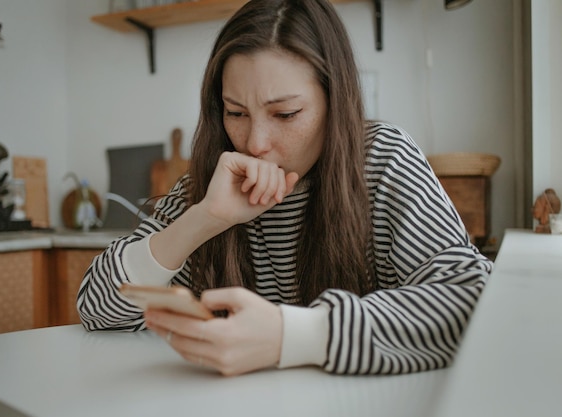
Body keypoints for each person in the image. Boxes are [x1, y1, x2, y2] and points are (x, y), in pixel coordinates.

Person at [77, 0, 493, 376]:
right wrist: (204, 219)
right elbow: (96, 309)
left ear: (335, 102)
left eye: (286, 113)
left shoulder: (383, 160)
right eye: (236, 112)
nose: (255, 143)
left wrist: (290, 335)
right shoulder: (214, 181)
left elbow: (472, 301)